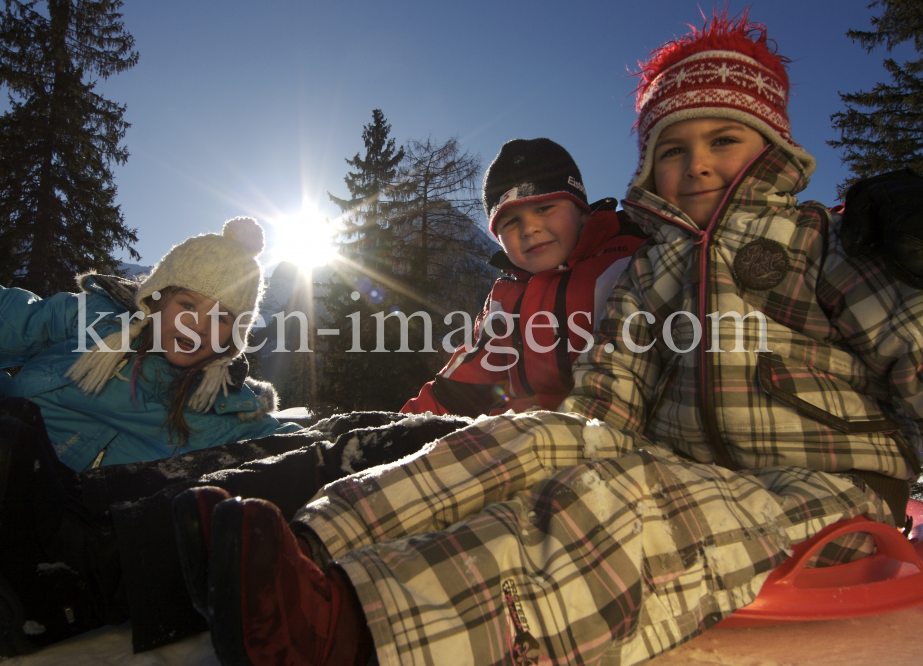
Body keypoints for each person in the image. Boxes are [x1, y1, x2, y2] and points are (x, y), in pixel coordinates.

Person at [179, 11, 923, 666]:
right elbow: (609, 392)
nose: (696, 162)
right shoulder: (651, 270)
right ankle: (302, 551)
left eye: (724, 139)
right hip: (687, 462)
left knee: (621, 506)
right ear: (648, 166)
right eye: (673, 148)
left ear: (770, 150)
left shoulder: (820, 245)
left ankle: (352, 628)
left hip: (827, 484)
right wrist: (549, 445)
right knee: (531, 441)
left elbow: (911, 352)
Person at [0, 217, 302, 502]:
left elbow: (305, 453)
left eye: (221, 318)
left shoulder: (227, 411)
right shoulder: (95, 320)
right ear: (156, 301)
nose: (198, 327)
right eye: (187, 305)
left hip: (52, 508)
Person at [401, 138, 647, 416]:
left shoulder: (629, 259)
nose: (529, 228)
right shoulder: (505, 298)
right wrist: (404, 425)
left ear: (581, 211)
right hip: (525, 434)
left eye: (544, 208)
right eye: (511, 221)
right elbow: (461, 386)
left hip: (610, 427)